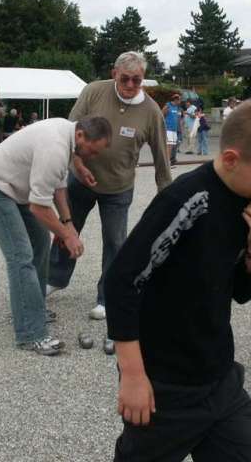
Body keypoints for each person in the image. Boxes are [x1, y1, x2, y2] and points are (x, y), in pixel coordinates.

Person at [105, 98, 251, 462]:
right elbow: (121, 281)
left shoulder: (248, 204)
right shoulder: (186, 199)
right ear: (230, 159)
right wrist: (132, 375)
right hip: (166, 387)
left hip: (220, 377)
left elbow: (242, 293)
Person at [0, 116, 112, 355]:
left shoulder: (67, 136)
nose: (91, 157)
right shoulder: (55, 147)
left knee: (41, 242)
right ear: (81, 136)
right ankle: (30, 334)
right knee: (20, 255)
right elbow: (38, 206)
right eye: (92, 151)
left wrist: (68, 222)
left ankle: (32, 307)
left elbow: (58, 185)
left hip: (15, 189)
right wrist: (67, 236)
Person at [47, 52, 172, 320]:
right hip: (80, 180)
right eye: (125, 78)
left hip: (118, 188)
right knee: (66, 228)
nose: (129, 85)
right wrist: (77, 164)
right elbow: (70, 130)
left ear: (143, 80)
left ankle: (107, 295)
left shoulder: (151, 111)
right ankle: (55, 277)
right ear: (114, 73)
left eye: (136, 80)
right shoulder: (94, 92)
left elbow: (162, 158)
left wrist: (167, 197)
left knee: (116, 242)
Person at [162, 93, 181, 166]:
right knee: (169, 146)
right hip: (168, 129)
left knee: (172, 146)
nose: (180, 102)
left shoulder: (176, 107)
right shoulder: (168, 106)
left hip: (174, 130)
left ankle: (168, 161)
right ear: (176, 100)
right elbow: (161, 115)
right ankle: (166, 163)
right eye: (179, 100)